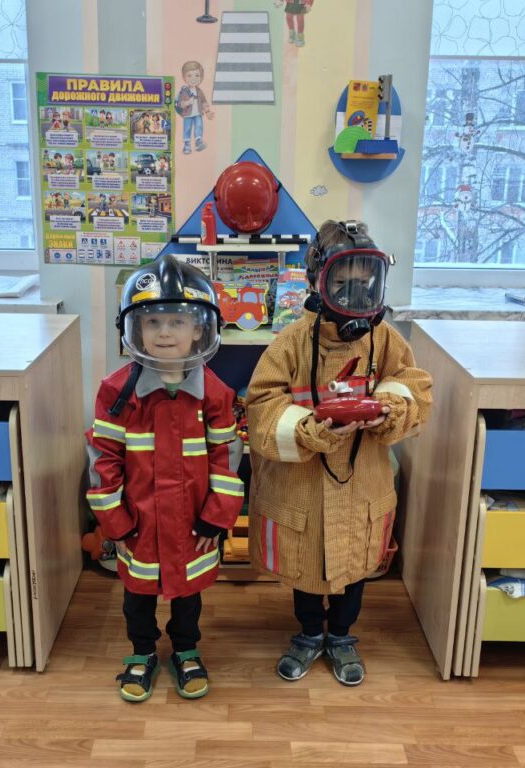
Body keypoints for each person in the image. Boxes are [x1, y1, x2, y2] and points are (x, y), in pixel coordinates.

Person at [246, 219, 432, 686]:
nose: (355, 296)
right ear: (316, 282)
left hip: (362, 482)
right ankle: (310, 633)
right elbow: (263, 406)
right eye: (341, 284)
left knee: (354, 566)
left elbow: (411, 384)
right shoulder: (290, 343)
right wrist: (308, 430)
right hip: (304, 485)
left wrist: (388, 409)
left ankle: (343, 636)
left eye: (365, 284)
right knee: (308, 567)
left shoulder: (385, 340)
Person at [85, 254, 243, 702]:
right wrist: (117, 525)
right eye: (153, 322)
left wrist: (216, 518)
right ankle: (141, 653)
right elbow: (103, 461)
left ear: (200, 330)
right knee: (137, 595)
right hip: (139, 524)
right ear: (134, 329)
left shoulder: (215, 393)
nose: (165, 332)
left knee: (187, 594)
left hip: (193, 525)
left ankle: (186, 650)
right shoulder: (117, 393)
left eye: (177, 321)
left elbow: (227, 458)